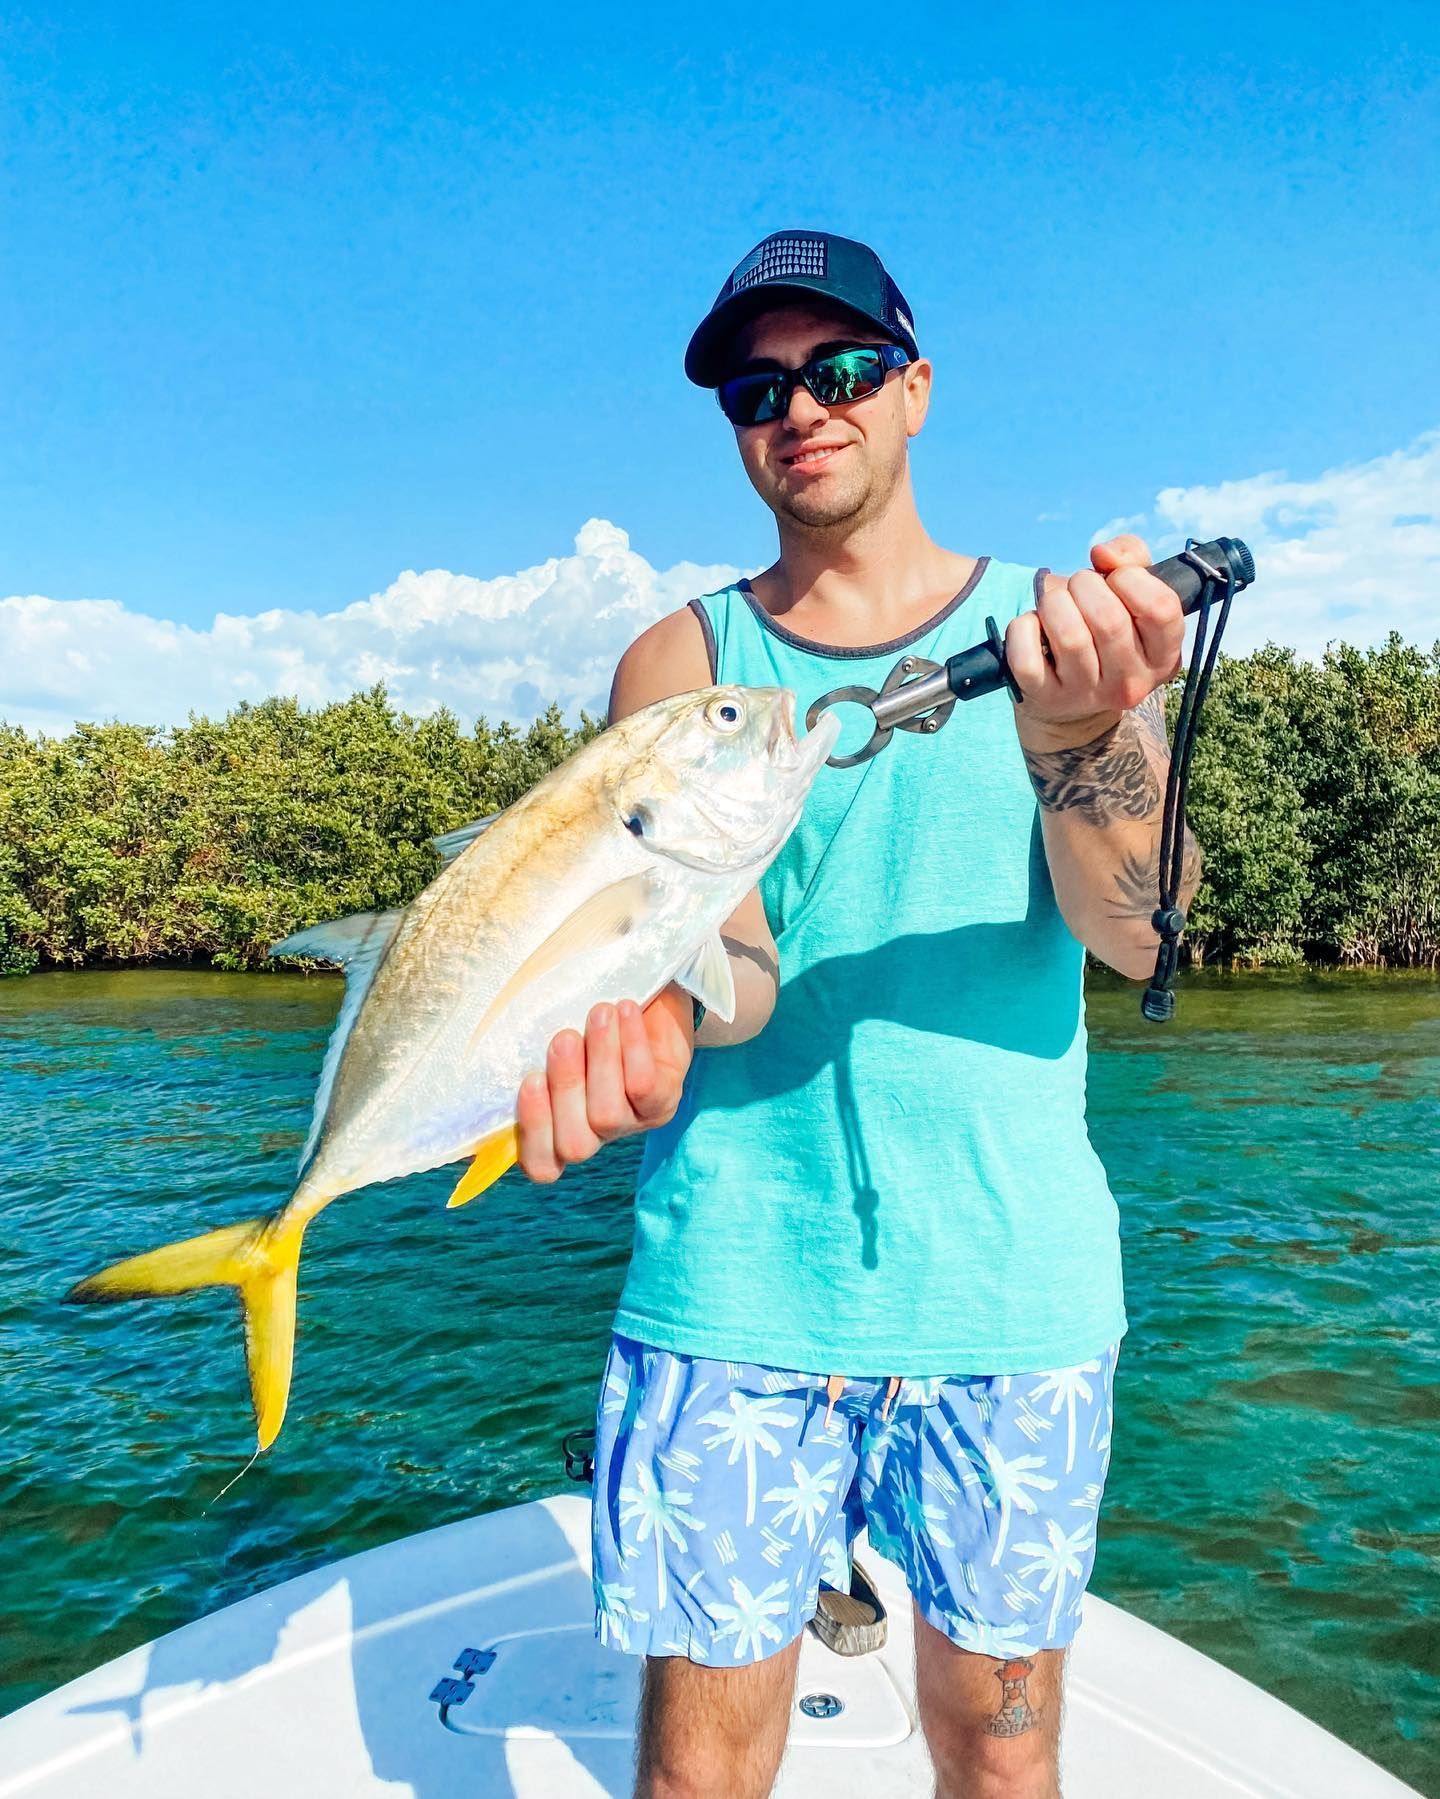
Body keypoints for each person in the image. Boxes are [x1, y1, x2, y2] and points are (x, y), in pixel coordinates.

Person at [513, 229, 1200, 1799]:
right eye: (758, 388)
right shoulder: (684, 663)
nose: (800, 409)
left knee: (1001, 1762)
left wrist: (1083, 729)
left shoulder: (1063, 628)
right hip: (734, 1295)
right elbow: (730, 976)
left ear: (915, 390)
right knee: (696, 1782)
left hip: (1012, 1296)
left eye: (840, 370)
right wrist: (636, 1042)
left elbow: (1133, 927)